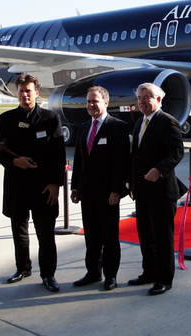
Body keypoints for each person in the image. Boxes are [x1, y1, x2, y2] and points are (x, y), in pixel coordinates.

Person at [0, 74, 66, 292]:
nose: (25, 94)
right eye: (21, 90)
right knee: (19, 231)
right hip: (17, 186)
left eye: (29, 90)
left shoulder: (51, 119)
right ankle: (23, 267)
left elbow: (58, 155)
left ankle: (48, 274)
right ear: (17, 93)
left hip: (44, 188)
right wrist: (15, 161)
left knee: (45, 234)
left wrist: (55, 184)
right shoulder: (6, 119)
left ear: (36, 92)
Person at [129, 83, 187, 295]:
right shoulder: (139, 123)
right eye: (139, 98)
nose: (142, 101)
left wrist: (159, 170)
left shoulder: (167, 122)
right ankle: (149, 273)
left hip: (162, 191)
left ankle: (164, 279)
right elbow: (136, 156)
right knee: (145, 235)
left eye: (147, 97)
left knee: (162, 237)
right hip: (143, 191)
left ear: (158, 100)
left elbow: (176, 152)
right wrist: (133, 184)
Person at [70, 86, 130, 291]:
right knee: (92, 236)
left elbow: (121, 163)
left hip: (108, 194)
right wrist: (75, 187)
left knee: (110, 236)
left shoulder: (118, 127)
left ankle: (111, 275)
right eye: (88, 102)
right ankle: (93, 272)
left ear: (106, 102)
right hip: (87, 192)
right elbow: (79, 160)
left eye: (94, 101)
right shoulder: (84, 126)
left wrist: (117, 190)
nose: (90, 105)